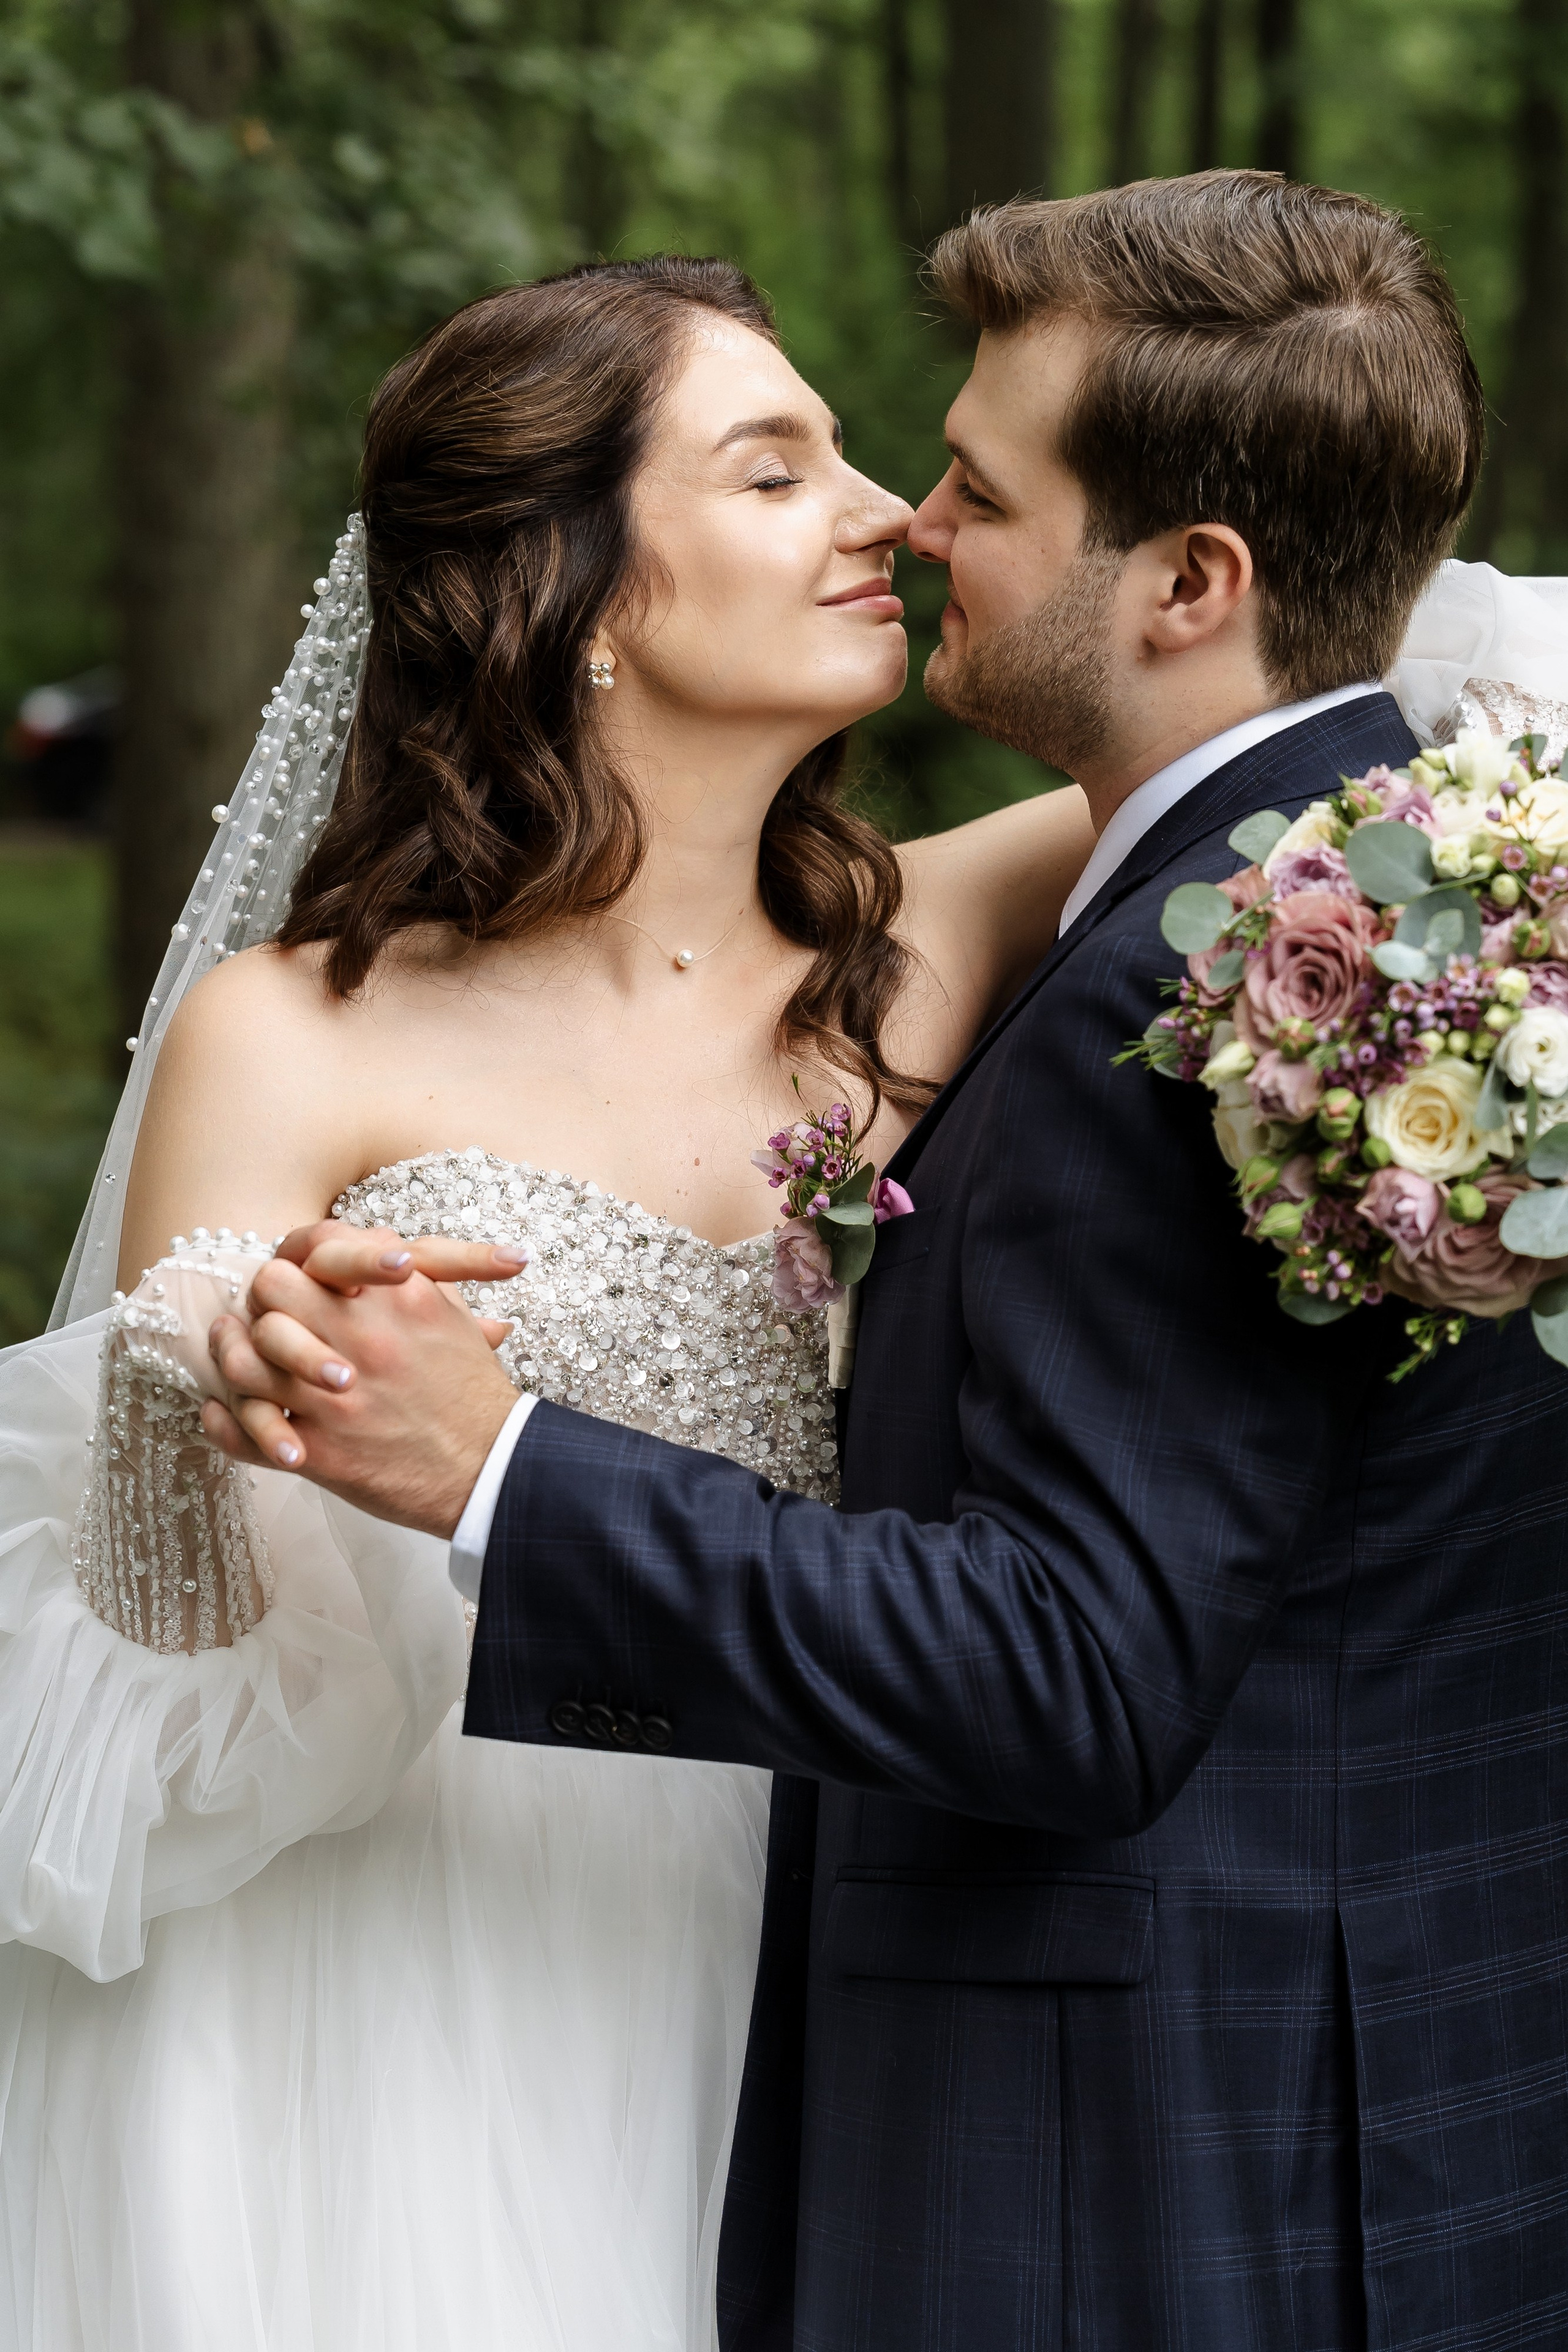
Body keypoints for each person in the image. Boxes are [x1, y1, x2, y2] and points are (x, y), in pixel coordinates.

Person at [211, 176, 1568, 2350]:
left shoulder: (1244, 991)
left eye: (970, 482)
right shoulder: (1375, 909)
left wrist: (499, 1467)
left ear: (1193, 581)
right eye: (813, 465)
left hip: (1145, 2159)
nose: (910, 519)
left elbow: (1080, 1665)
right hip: (1329, 2090)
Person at [0, 256, 1102, 2350]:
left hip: (790, 1922)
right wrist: (183, 1386)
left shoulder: (946, 933)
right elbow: (149, 1705)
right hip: (388, 1972)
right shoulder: (292, 1036)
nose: (888, 513)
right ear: (584, 594)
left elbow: (1377, 692)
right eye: (779, 473)